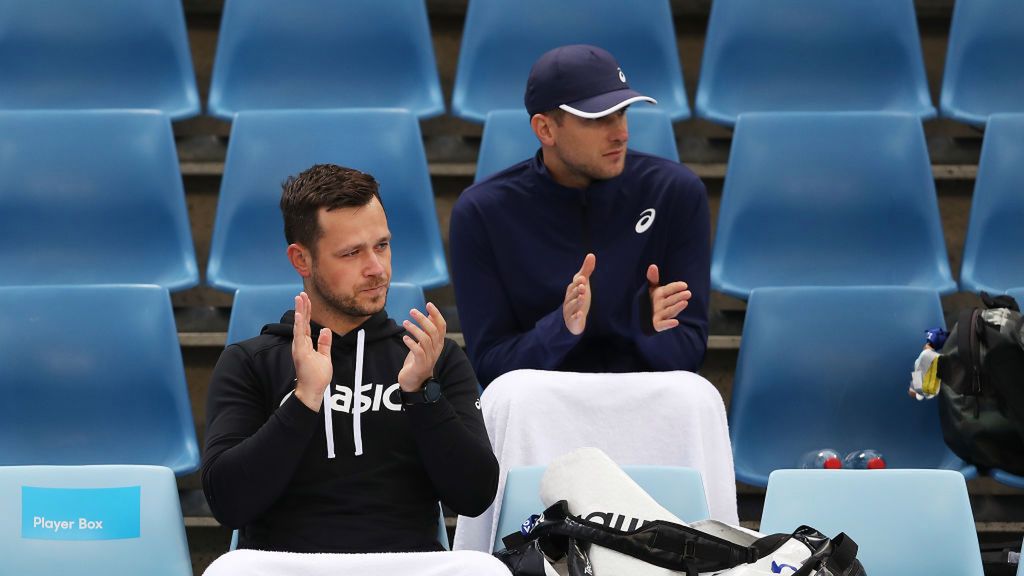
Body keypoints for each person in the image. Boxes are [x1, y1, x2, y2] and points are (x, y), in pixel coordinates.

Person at [201, 164, 499, 555]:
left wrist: (423, 395)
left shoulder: (430, 357)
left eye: (382, 245)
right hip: (286, 566)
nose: (376, 268)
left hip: (406, 566)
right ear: (301, 260)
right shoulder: (250, 362)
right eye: (352, 252)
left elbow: (475, 496)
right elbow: (229, 503)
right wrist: (304, 401)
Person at [450, 44, 711, 386]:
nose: (621, 133)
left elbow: (689, 352)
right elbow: (490, 366)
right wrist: (562, 327)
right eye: (599, 118)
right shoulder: (482, 212)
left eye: (622, 113)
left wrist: (643, 324)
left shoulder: (675, 192)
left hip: (645, 393)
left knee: (698, 395)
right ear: (545, 129)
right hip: (543, 400)